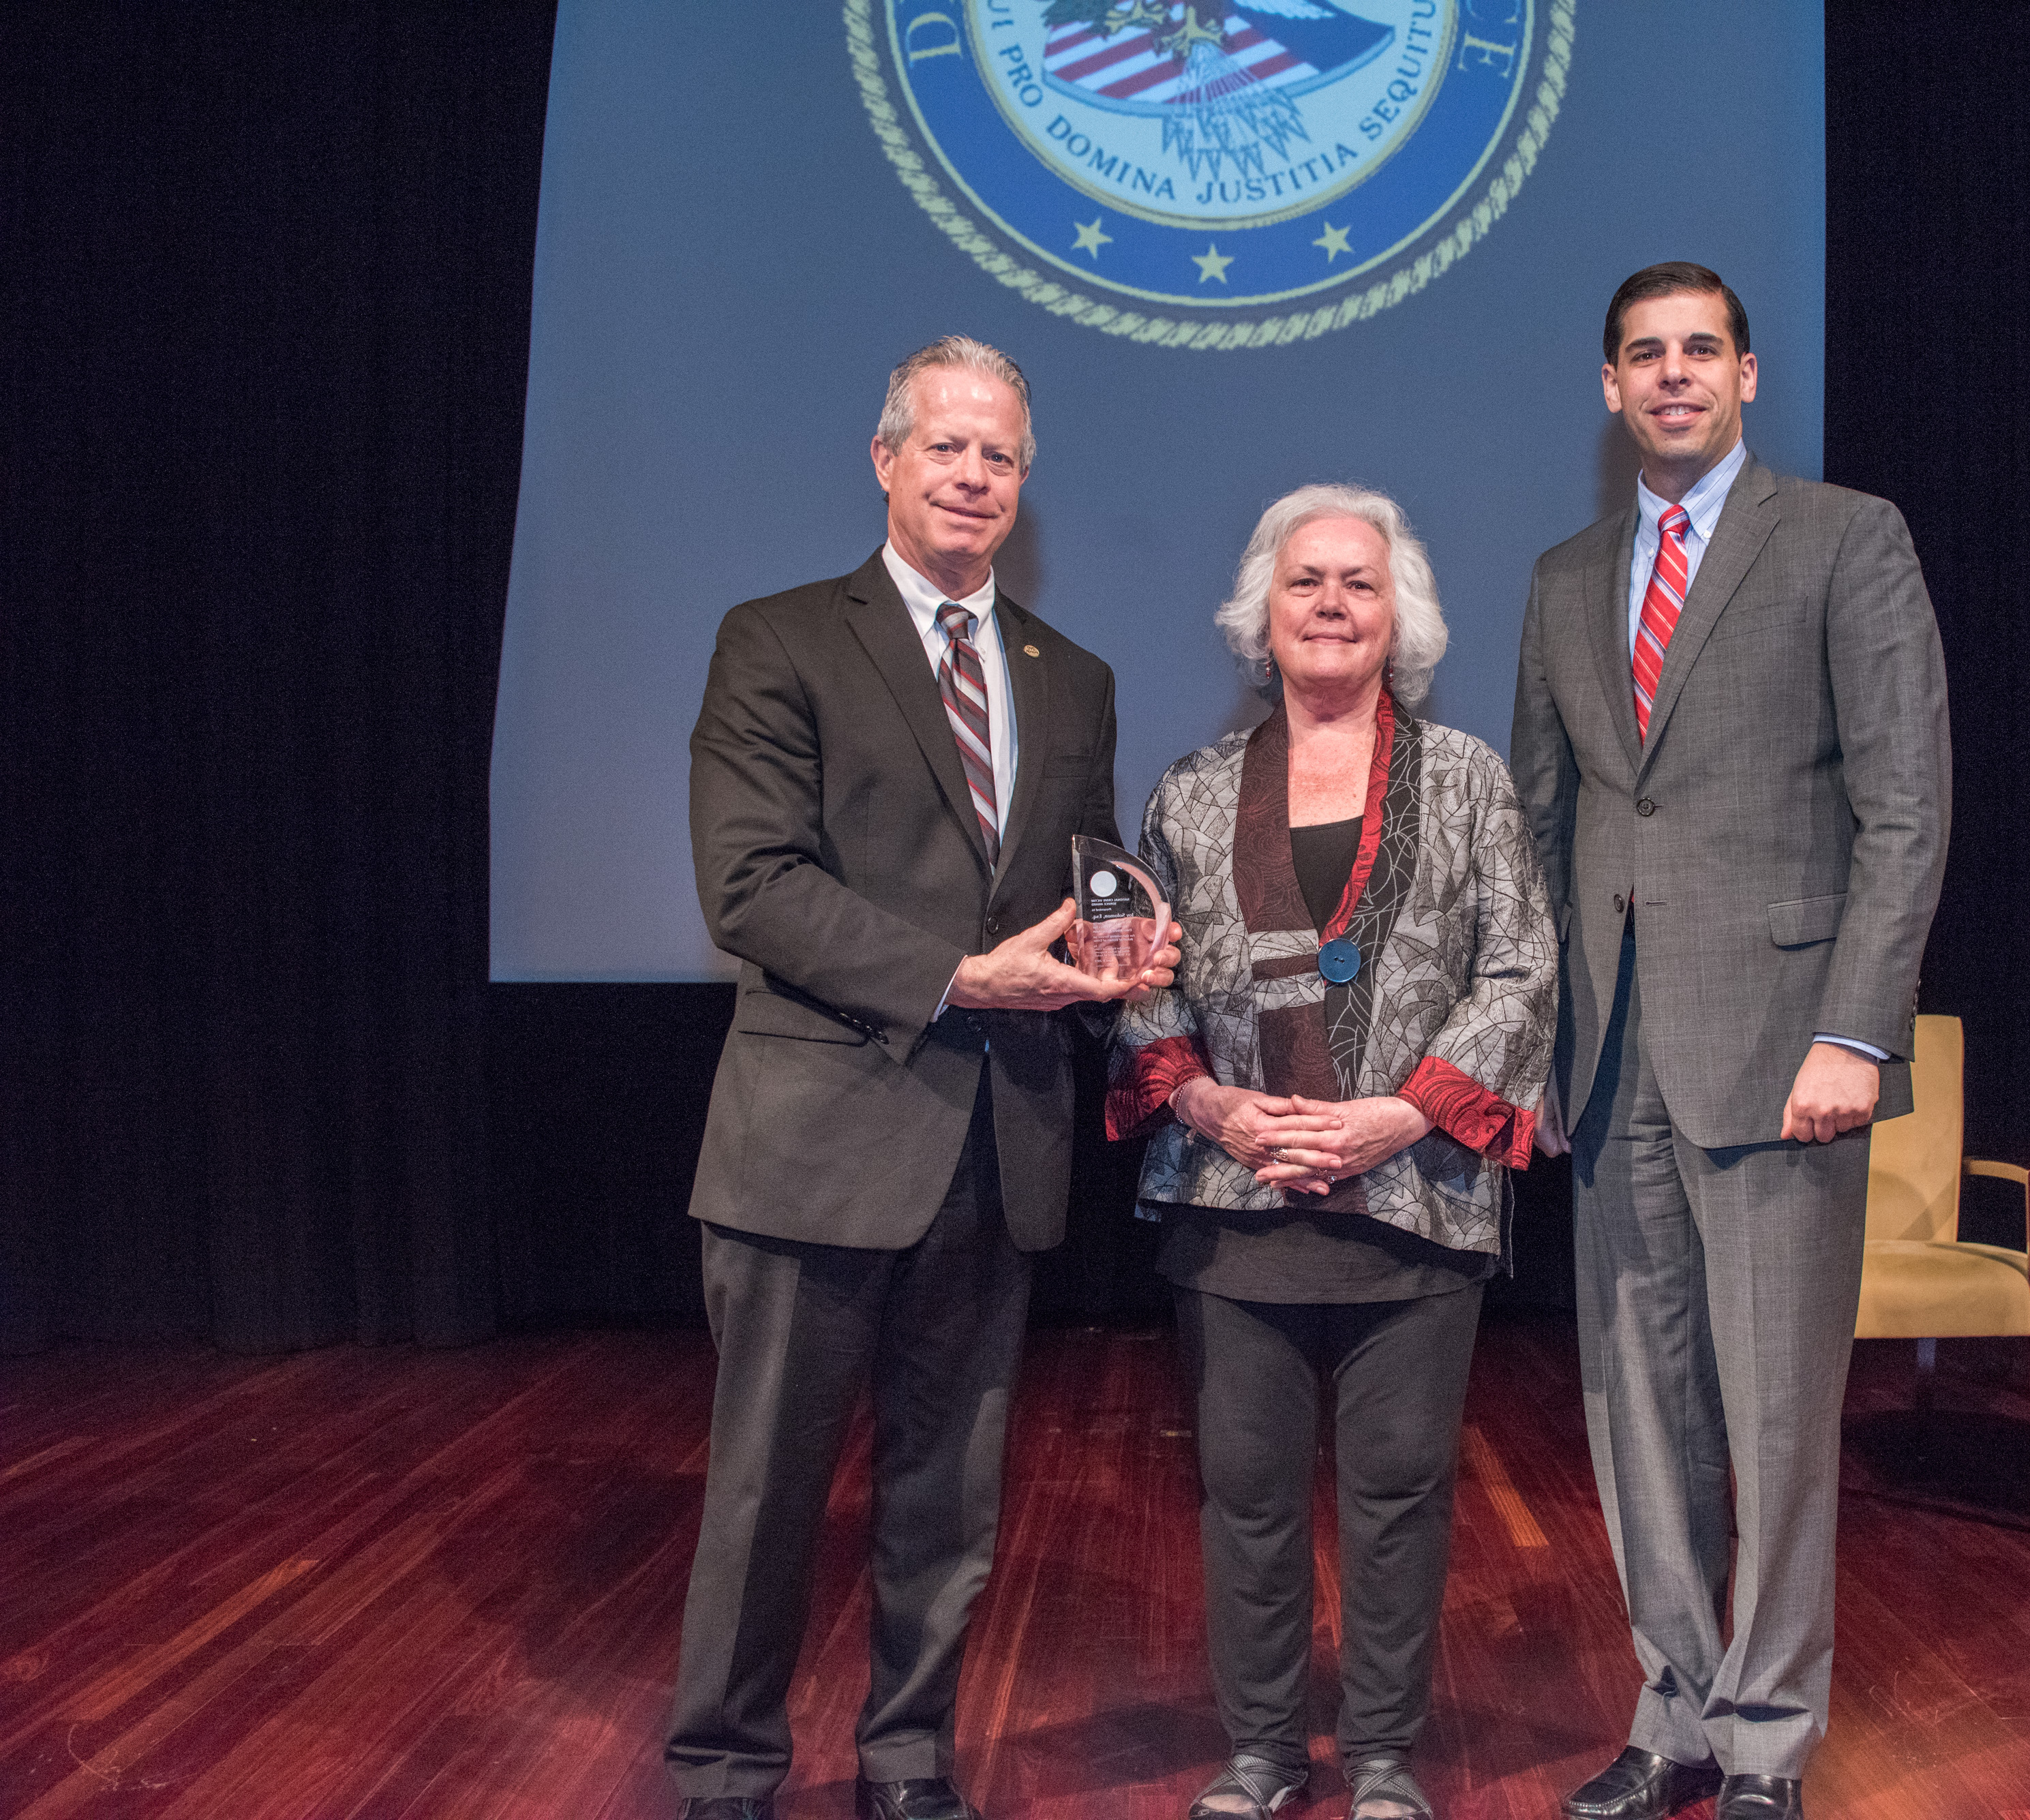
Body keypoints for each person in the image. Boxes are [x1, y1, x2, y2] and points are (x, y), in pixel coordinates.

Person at [668, 335, 1178, 1820]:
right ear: (884, 459)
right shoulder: (777, 639)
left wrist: (1113, 955)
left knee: (948, 1499)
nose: (972, 476)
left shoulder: (1066, 677)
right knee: (765, 1494)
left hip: (999, 1143)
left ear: (1025, 485)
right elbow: (748, 887)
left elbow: (1073, 895)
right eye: (944, 446)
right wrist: (954, 978)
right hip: (815, 1143)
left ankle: (905, 1761)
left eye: (1000, 456)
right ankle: (723, 1772)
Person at [1510, 263, 1951, 1820]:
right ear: (1608, 387)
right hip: (1611, 1059)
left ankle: (1765, 1739)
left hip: (1784, 1061)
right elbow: (1538, 835)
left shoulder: (1844, 540)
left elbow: (1904, 813)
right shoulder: (1565, 579)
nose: (1674, 375)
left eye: (1701, 350)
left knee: (1774, 1422)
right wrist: (1536, 1056)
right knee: (1636, 1415)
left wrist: (1855, 1032)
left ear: (1747, 377)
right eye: (1645, 354)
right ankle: (1673, 1713)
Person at [1108, 484, 1558, 1820]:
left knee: (1399, 1497)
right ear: (1261, 614)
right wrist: (1210, 1109)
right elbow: (1139, 980)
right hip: (1231, 1203)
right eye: (1305, 581)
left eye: (1358, 583)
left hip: (1414, 1203)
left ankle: (1377, 1762)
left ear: (1397, 616)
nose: (1330, 604)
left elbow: (1522, 966)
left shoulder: (1468, 779)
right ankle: (1255, 1755)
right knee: (1244, 1500)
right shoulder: (1189, 796)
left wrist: (1401, 1112)